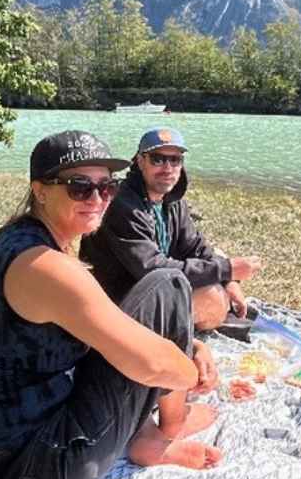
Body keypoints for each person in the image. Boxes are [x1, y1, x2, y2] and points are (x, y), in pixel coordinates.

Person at [0, 130, 223, 479]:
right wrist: (189, 372)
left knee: (158, 296)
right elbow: (154, 365)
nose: (97, 199)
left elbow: (101, 324)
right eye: (79, 187)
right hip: (32, 476)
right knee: (171, 284)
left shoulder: (21, 239)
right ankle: (167, 429)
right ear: (40, 190)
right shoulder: (49, 267)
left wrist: (191, 345)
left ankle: (148, 429)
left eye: (107, 186)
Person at [80, 126, 262, 330]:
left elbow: (196, 248)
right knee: (212, 297)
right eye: (157, 159)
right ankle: (186, 328)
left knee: (217, 260)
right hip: (119, 301)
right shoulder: (123, 205)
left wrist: (230, 280)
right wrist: (226, 270)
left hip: (154, 288)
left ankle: (192, 321)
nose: (167, 168)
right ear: (140, 162)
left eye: (175, 160)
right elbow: (152, 269)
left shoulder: (173, 201)